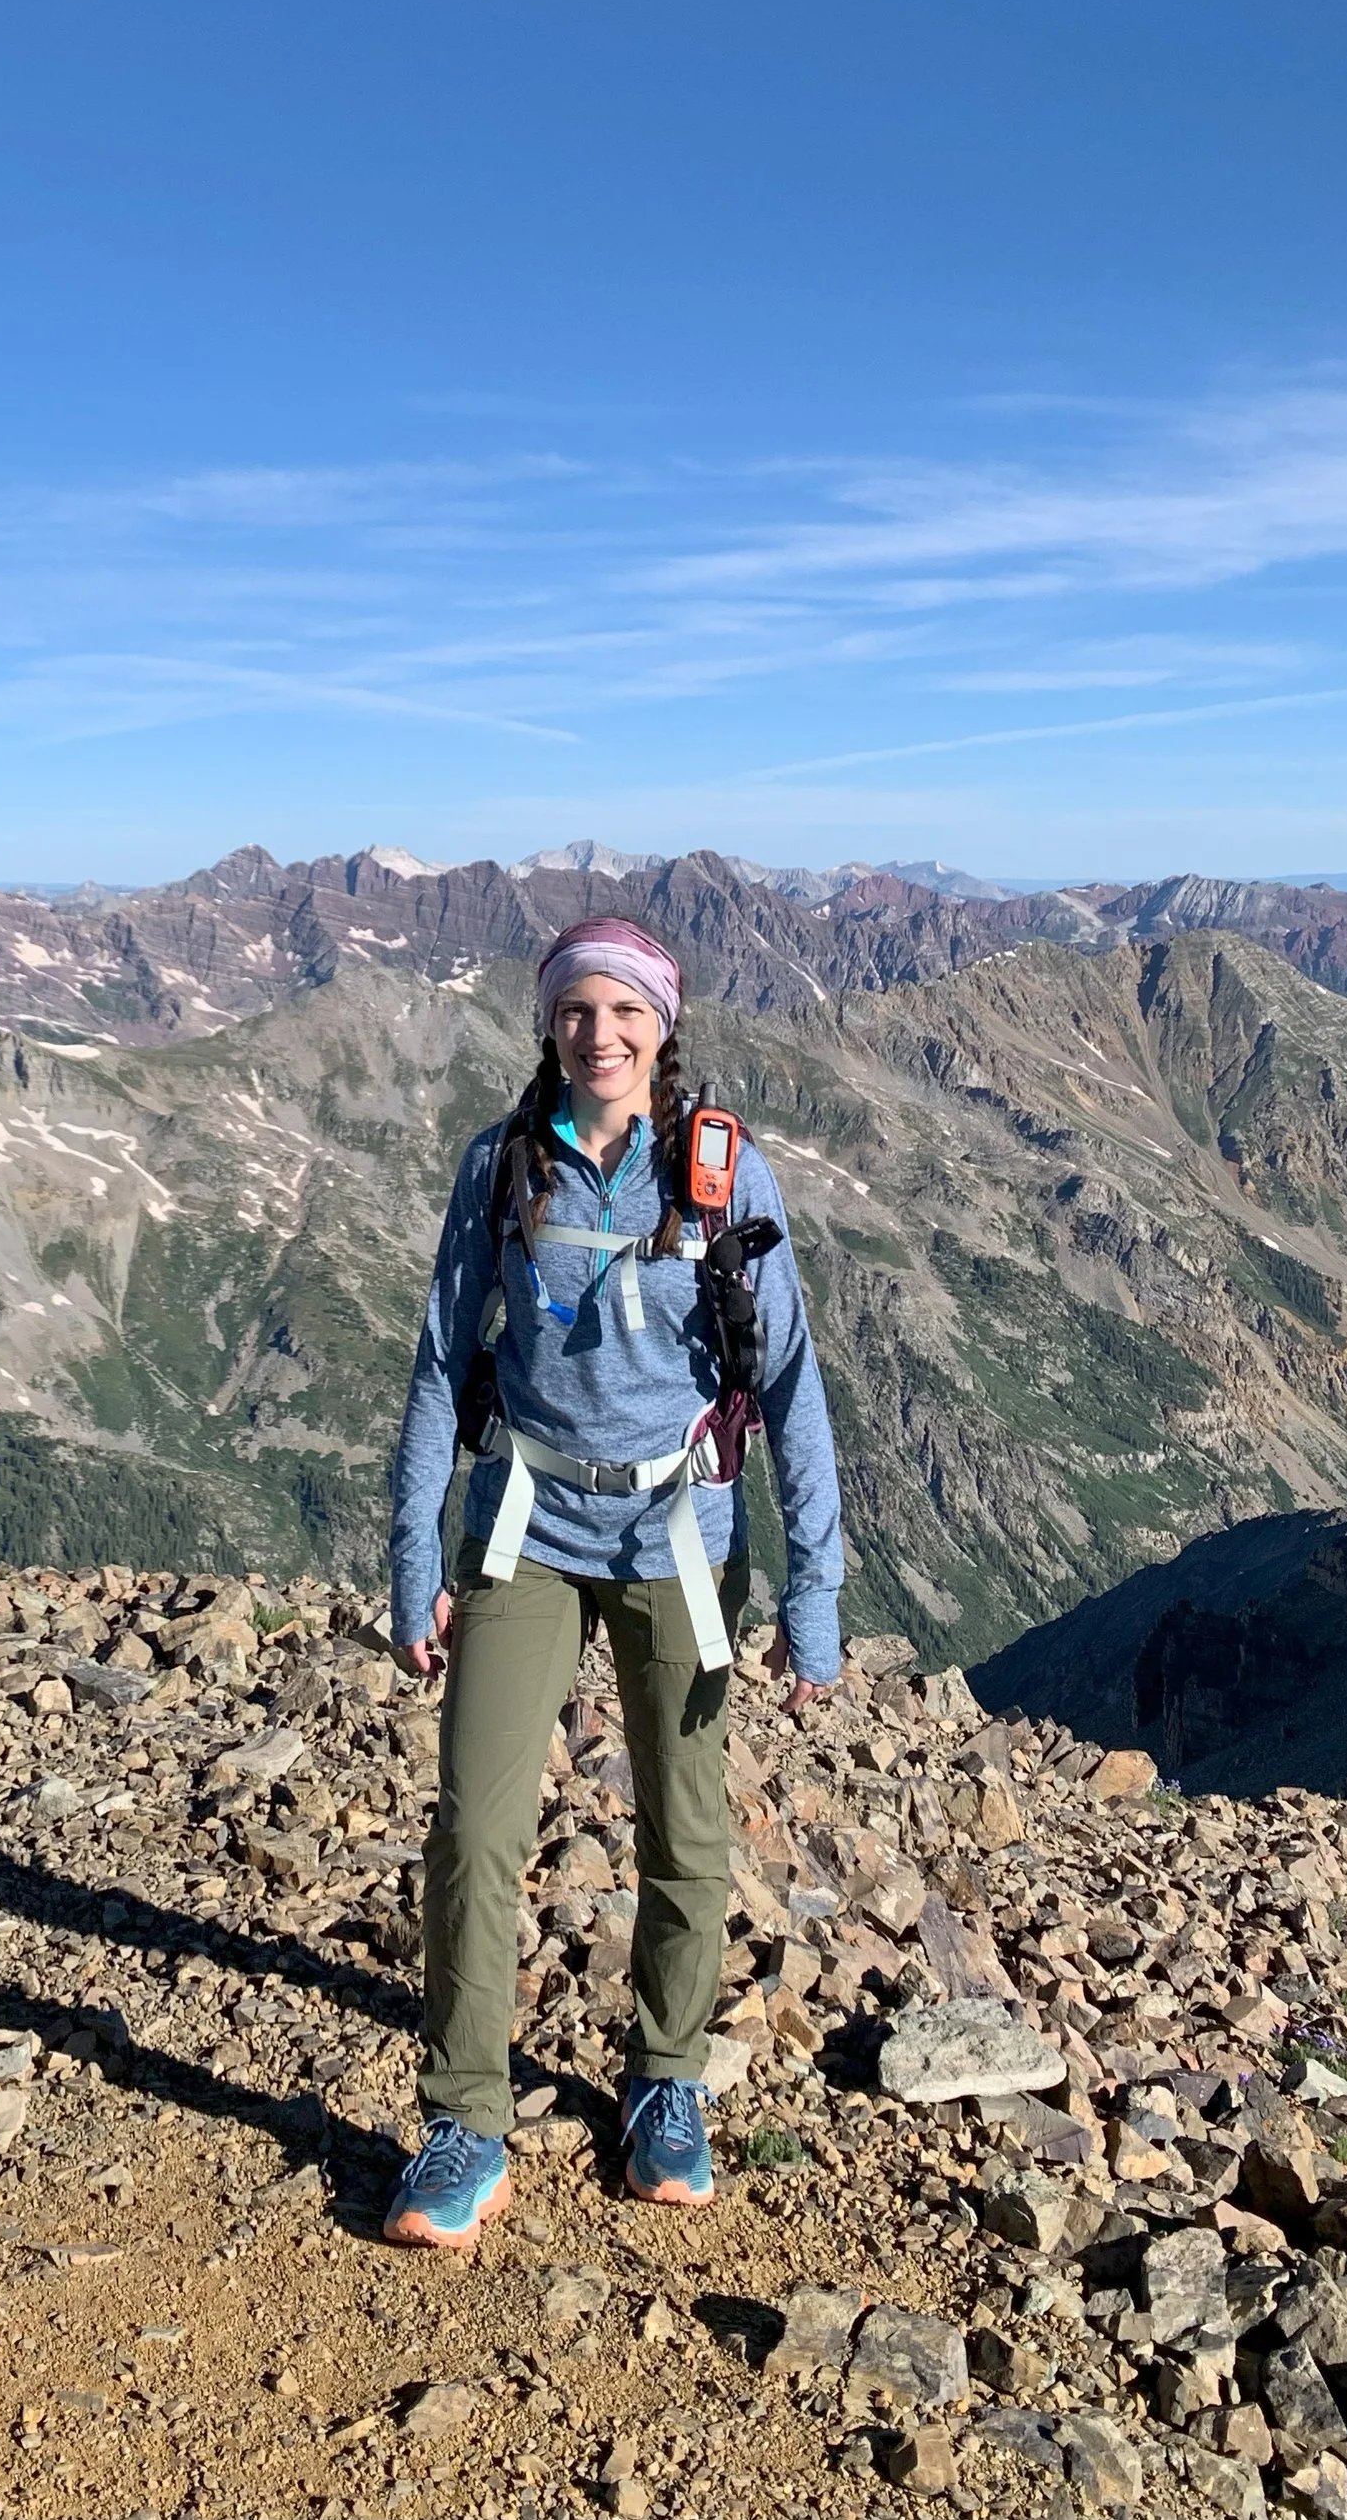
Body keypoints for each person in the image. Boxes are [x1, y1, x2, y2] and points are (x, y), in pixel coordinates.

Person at [381, 913, 844, 2250]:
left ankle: (666, 2084)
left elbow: (795, 1384)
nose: (600, 1034)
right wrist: (418, 1567)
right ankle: (466, 2117)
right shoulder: (500, 1167)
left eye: (624, 1012)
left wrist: (813, 1601)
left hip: (684, 1535)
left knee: (688, 1836)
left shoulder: (721, 1171)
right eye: (577, 1011)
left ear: (662, 1024)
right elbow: (433, 1373)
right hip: (527, 1523)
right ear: (549, 1024)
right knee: (475, 1828)